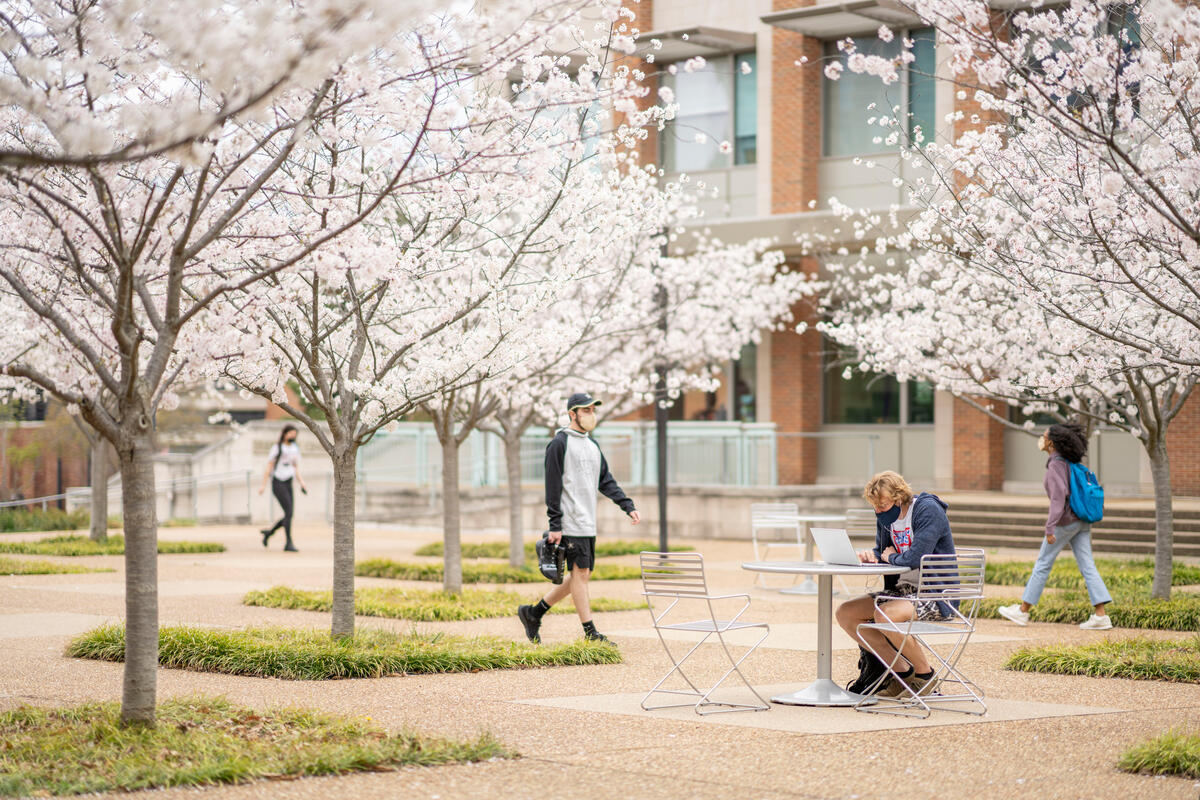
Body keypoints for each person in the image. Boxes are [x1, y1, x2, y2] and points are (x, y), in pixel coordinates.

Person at [517, 392, 640, 644]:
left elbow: (605, 480)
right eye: (585, 410)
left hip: (587, 522)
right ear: (572, 414)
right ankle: (590, 632)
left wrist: (626, 505)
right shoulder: (559, 443)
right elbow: (552, 486)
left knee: (579, 576)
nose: (590, 414)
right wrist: (555, 524)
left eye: (593, 410)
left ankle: (534, 612)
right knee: (581, 575)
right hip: (570, 521)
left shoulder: (592, 446)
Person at [835, 471, 956, 697]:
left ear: (899, 497)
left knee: (885, 615)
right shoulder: (887, 517)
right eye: (875, 508)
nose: (879, 512)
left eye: (883, 506)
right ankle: (901, 672)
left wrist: (889, 556)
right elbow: (883, 551)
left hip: (936, 594)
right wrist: (871, 556)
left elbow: (913, 558)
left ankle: (924, 676)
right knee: (845, 613)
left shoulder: (927, 510)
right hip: (902, 591)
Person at [998, 423, 1113, 630]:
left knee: (1042, 564)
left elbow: (1058, 500)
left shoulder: (1055, 466)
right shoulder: (1068, 463)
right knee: (1088, 566)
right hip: (1080, 520)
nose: (1041, 439)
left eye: (1044, 436)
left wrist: (1050, 528)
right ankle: (1101, 615)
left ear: (1051, 443)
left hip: (1065, 522)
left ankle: (1023, 612)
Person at [259, 424, 306, 552]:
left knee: (289, 514)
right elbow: (269, 466)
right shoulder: (277, 448)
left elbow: (295, 467)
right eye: (290, 433)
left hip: (288, 481)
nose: (293, 436)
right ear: (284, 434)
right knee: (289, 513)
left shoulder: (295, 449)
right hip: (278, 482)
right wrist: (263, 485)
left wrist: (301, 483)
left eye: (294, 434)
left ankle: (269, 533)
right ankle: (288, 542)